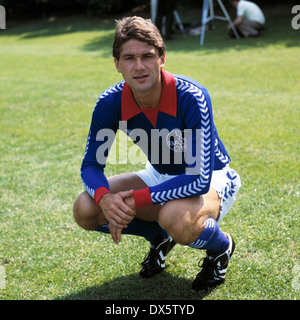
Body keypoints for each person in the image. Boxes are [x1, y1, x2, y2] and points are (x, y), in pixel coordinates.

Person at [73, 16, 241, 291]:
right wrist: (105, 199)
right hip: (159, 174)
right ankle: (158, 237)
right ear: (117, 64)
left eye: (147, 56)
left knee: (175, 217)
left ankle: (221, 247)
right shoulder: (109, 103)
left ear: (162, 58)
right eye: (129, 58)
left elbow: (198, 179)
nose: (139, 67)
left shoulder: (191, 96)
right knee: (85, 208)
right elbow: (91, 165)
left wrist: (136, 199)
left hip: (213, 179)